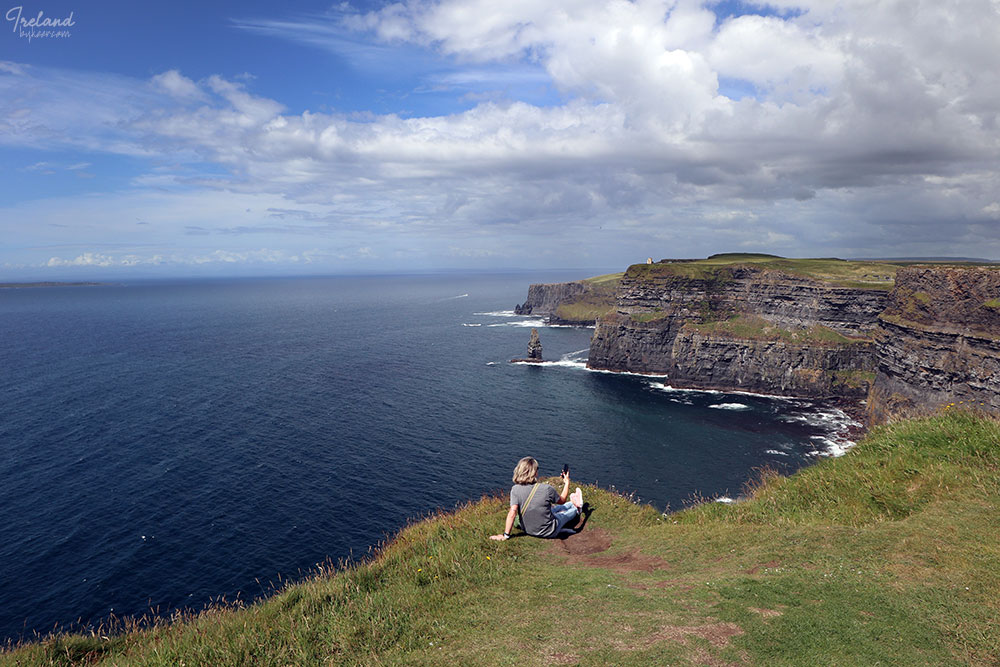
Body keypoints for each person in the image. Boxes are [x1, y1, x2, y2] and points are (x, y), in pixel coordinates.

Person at [490, 456, 584, 541]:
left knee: (554, 509)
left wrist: (505, 535)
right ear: (535, 473)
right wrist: (566, 483)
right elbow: (562, 500)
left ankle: (572, 503)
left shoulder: (515, 489)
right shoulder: (546, 489)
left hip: (528, 529)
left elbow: (512, 512)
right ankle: (577, 508)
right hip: (549, 531)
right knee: (562, 516)